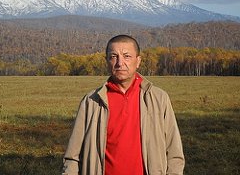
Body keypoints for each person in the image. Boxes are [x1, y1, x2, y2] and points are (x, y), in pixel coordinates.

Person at [62, 34, 185, 175]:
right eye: (113, 56)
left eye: (127, 56)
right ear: (107, 61)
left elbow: (174, 153)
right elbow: (72, 157)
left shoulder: (158, 98)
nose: (120, 63)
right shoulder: (92, 101)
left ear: (138, 61)